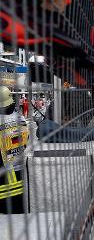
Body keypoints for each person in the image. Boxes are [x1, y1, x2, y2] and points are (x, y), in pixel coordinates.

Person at [0, 86, 29, 214]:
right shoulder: (20, 118)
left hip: (5, 172)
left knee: (7, 208)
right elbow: (25, 141)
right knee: (19, 205)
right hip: (21, 168)